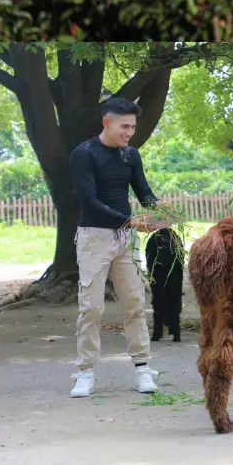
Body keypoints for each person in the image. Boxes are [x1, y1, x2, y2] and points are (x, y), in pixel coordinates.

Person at [68, 97, 164, 398]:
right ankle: (84, 372)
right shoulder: (83, 154)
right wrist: (131, 221)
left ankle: (142, 368)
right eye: (124, 126)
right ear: (106, 122)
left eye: (133, 127)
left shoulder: (131, 156)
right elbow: (90, 202)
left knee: (134, 303)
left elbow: (144, 192)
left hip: (125, 239)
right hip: (94, 237)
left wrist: (162, 210)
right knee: (91, 307)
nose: (129, 133)